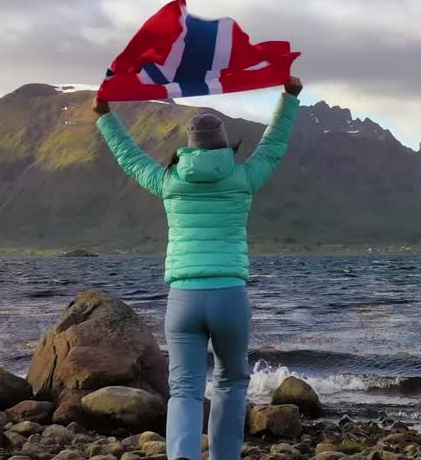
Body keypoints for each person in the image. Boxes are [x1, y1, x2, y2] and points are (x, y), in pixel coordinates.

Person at [91, 77, 303, 460]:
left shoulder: (169, 181)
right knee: (231, 384)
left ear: (189, 146)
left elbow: (129, 156)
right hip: (229, 298)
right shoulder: (242, 178)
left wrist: (105, 115)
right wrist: (289, 98)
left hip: (183, 299)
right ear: (224, 142)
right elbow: (273, 147)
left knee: (185, 389)